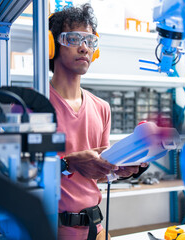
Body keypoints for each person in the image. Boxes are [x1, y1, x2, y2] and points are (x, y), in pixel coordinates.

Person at [49, 4, 147, 240]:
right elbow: (17, 173)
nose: (84, 48)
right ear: (51, 46)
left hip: (94, 229)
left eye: (90, 41)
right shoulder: (32, 103)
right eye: (73, 39)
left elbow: (96, 174)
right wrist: (68, 164)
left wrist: (118, 168)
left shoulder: (102, 108)